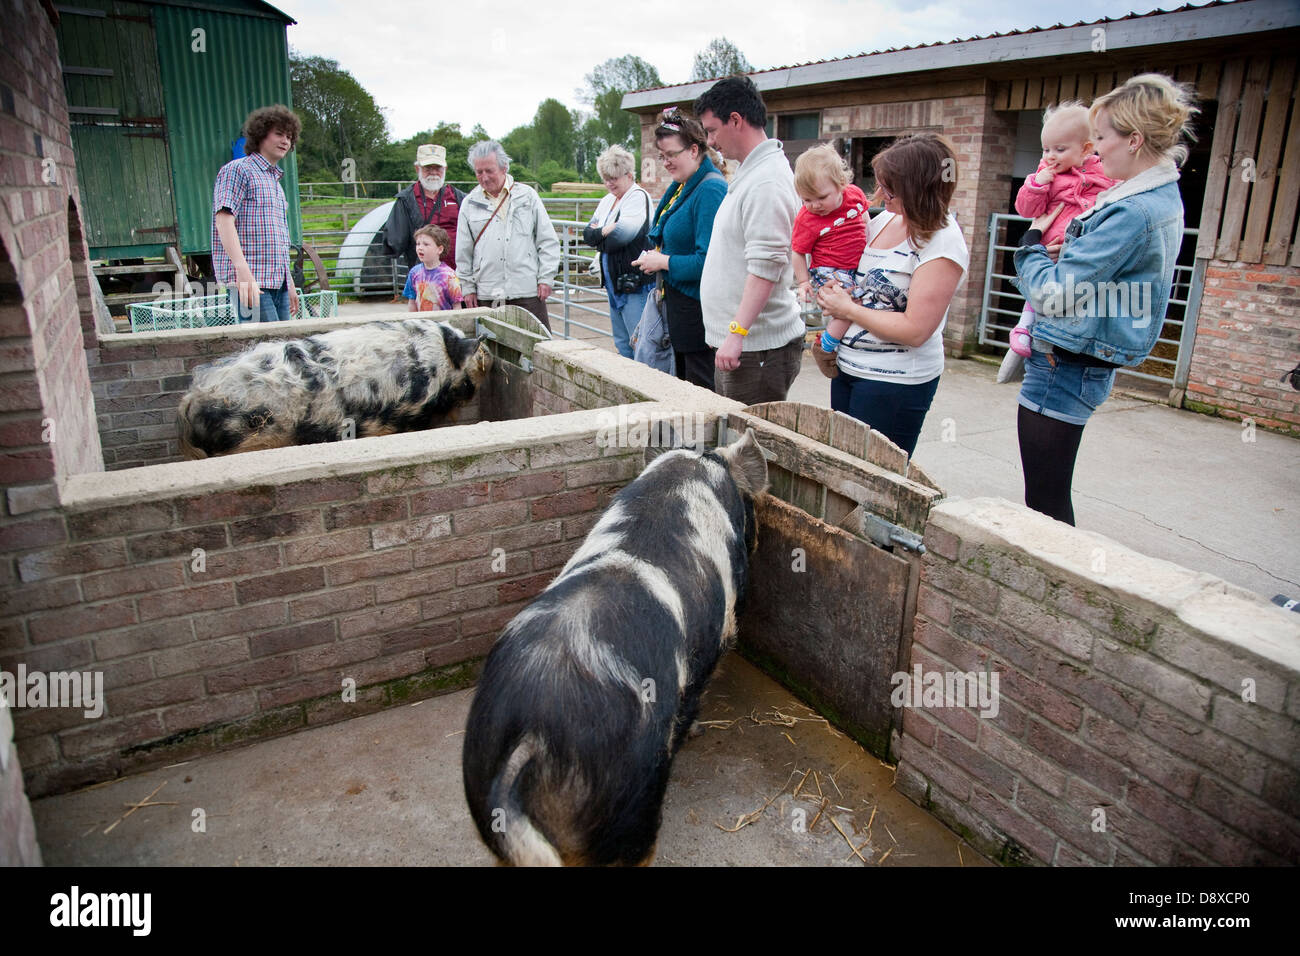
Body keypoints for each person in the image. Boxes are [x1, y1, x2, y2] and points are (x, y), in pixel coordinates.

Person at [1014, 74, 1195, 525]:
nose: (1096, 148)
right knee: (1047, 495)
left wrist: (1032, 246)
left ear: (1133, 140)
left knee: (1045, 502)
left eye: (1101, 137)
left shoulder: (1132, 210)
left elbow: (1055, 294)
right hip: (1080, 355)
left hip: (1065, 362)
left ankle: (1054, 588)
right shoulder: (1156, 197)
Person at [815, 133, 970, 458]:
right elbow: (853, 277)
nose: (880, 193)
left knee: (874, 483)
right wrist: (830, 290)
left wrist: (849, 309)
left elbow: (916, 330)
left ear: (919, 188)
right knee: (842, 470)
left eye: (891, 187)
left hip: (895, 383)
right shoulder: (885, 219)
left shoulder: (943, 242)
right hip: (850, 368)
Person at [695, 75, 805, 405]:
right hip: (744, 345)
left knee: (747, 448)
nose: (711, 141)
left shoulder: (766, 181)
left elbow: (766, 267)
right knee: (735, 442)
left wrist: (736, 334)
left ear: (736, 120)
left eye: (712, 130)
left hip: (757, 348)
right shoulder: (750, 172)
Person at [1008, 103, 1119, 356]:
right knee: (1041, 286)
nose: (1050, 156)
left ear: (1086, 149)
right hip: (1051, 243)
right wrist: (1037, 185)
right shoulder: (1044, 175)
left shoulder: (1104, 173)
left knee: (1072, 289)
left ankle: (1064, 334)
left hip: (1082, 245)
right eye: (1046, 149)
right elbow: (1026, 209)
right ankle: (1024, 327)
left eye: (1060, 149)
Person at [632, 110, 728, 390]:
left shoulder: (710, 189)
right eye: (662, 156)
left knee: (698, 390)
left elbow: (707, 262)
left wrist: (663, 261)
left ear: (694, 149)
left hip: (697, 311)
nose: (666, 163)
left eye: (671, 154)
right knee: (683, 385)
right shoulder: (684, 184)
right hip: (679, 306)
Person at [456, 141, 561, 330]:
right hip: (488, 292)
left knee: (537, 346)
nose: (484, 177)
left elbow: (547, 240)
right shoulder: (469, 203)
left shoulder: (527, 196)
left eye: (489, 170)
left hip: (527, 290)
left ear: (504, 168)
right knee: (491, 351)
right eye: (479, 172)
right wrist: (467, 288)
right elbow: (464, 251)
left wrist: (546, 277)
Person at [212, 104, 302, 323]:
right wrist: (241, 270)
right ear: (261, 135)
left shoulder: (275, 182)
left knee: (284, 348)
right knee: (265, 350)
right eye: (279, 134)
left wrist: (288, 284)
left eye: (289, 137)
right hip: (251, 280)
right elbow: (223, 220)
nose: (285, 141)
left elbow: (279, 238)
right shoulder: (238, 170)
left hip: (277, 281)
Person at [792, 143, 870, 341]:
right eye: (807, 200)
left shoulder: (855, 196)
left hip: (858, 263)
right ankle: (827, 342)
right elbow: (798, 251)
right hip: (829, 269)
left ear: (841, 183)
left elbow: (865, 218)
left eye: (821, 197)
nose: (815, 205)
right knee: (852, 301)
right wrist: (803, 282)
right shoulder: (806, 219)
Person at [583, 145, 653, 359]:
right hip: (615, 283)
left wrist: (599, 235)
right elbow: (587, 234)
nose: (609, 183)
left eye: (614, 178)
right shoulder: (608, 200)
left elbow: (621, 235)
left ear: (629, 175)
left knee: (639, 344)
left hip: (634, 282)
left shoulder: (637, 197)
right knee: (622, 344)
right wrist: (606, 231)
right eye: (606, 178)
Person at [382, 144, 466, 279]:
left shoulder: (460, 198)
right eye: (428, 168)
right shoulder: (405, 200)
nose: (433, 172)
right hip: (423, 279)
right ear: (417, 169)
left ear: (445, 168)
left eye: (438, 168)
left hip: (457, 278)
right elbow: (393, 242)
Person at [404, 225, 463, 312]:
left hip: (443, 323)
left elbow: (457, 306)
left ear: (439, 249)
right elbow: (412, 302)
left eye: (426, 244)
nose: (420, 247)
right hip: (422, 323)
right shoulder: (414, 273)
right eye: (418, 244)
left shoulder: (449, 275)